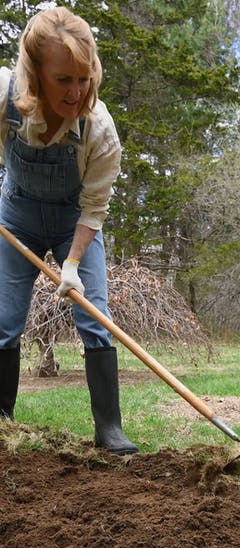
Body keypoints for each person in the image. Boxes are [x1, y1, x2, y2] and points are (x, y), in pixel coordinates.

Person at [0, 6, 137, 455]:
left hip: (71, 221)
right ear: (35, 73)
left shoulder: (99, 130)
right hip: (15, 215)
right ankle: (2, 425)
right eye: (63, 80)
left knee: (96, 319)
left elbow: (94, 208)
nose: (77, 91)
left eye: (85, 78)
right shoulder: (4, 97)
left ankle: (110, 430)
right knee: (3, 321)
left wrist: (73, 264)